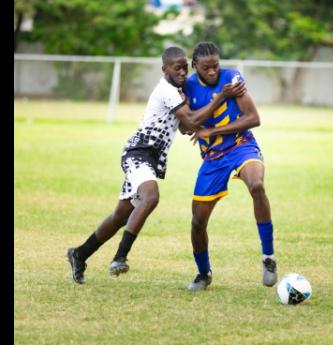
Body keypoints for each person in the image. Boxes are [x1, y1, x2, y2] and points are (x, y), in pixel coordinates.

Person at [67, 46, 246, 284]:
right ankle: (120, 257)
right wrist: (221, 97)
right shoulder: (167, 90)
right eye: (176, 68)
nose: (182, 72)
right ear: (164, 69)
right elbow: (192, 120)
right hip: (138, 152)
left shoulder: (180, 92)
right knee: (150, 197)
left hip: (152, 158)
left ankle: (79, 254)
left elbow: (186, 126)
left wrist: (200, 119)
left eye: (185, 67)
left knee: (121, 215)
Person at [183, 42, 278, 291]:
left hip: (241, 146)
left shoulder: (232, 78)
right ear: (195, 66)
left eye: (216, 65)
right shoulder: (188, 86)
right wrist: (198, 124)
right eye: (206, 67)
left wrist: (213, 129)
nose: (213, 71)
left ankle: (268, 258)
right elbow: (185, 126)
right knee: (197, 222)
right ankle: (203, 274)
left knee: (257, 185)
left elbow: (253, 118)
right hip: (213, 158)